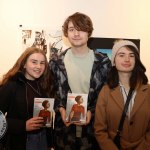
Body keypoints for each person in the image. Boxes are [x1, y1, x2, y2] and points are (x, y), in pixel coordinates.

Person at [49, 12, 111, 149]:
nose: (76, 34)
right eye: (71, 29)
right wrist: (60, 108)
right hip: (64, 133)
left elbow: (108, 94)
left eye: (81, 29)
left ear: (89, 32)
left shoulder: (103, 62)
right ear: (66, 33)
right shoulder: (56, 61)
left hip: (94, 132)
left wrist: (92, 111)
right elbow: (50, 91)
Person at [94, 40, 150, 149]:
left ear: (136, 60)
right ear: (114, 60)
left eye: (131, 55)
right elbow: (100, 130)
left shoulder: (148, 91)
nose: (127, 59)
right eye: (121, 55)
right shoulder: (105, 91)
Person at [0, 47, 53, 150]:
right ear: (24, 64)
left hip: (43, 141)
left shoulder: (44, 85)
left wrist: (50, 143)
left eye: (42, 63)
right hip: (21, 142)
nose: (38, 66)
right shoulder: (11, 85)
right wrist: (23, 125)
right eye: (34, 62)